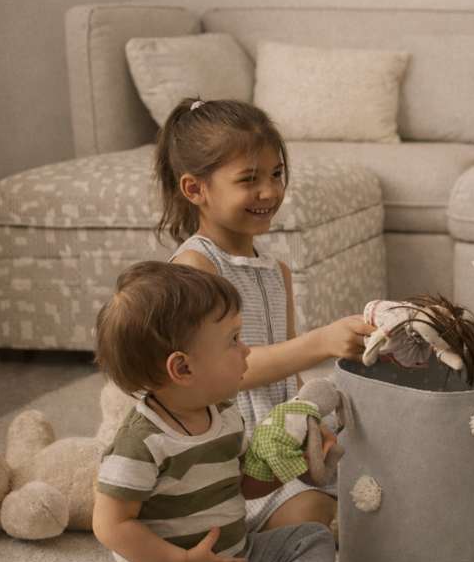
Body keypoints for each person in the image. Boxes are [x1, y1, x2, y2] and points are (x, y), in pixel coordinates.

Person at [92, 261, 343, 562]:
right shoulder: (140, 442)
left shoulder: (224, 414)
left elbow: (243, 484)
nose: (246, 350)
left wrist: (289, 465)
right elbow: (110, 524)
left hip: (236, 558)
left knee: (310, 536)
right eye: (233, 340)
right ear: (183, 368)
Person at [153, 98, 376, 534]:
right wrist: (320, 342)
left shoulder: (278, 273)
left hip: (280, 432)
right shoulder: (195, 269)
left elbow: (288, 380)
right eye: (248, 180)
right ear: (195, 189)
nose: (270, 191)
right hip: (233, 451)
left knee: (380, 466)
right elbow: (222, 372)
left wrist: (309, 421)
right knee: (313, 516)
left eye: (276, 175)